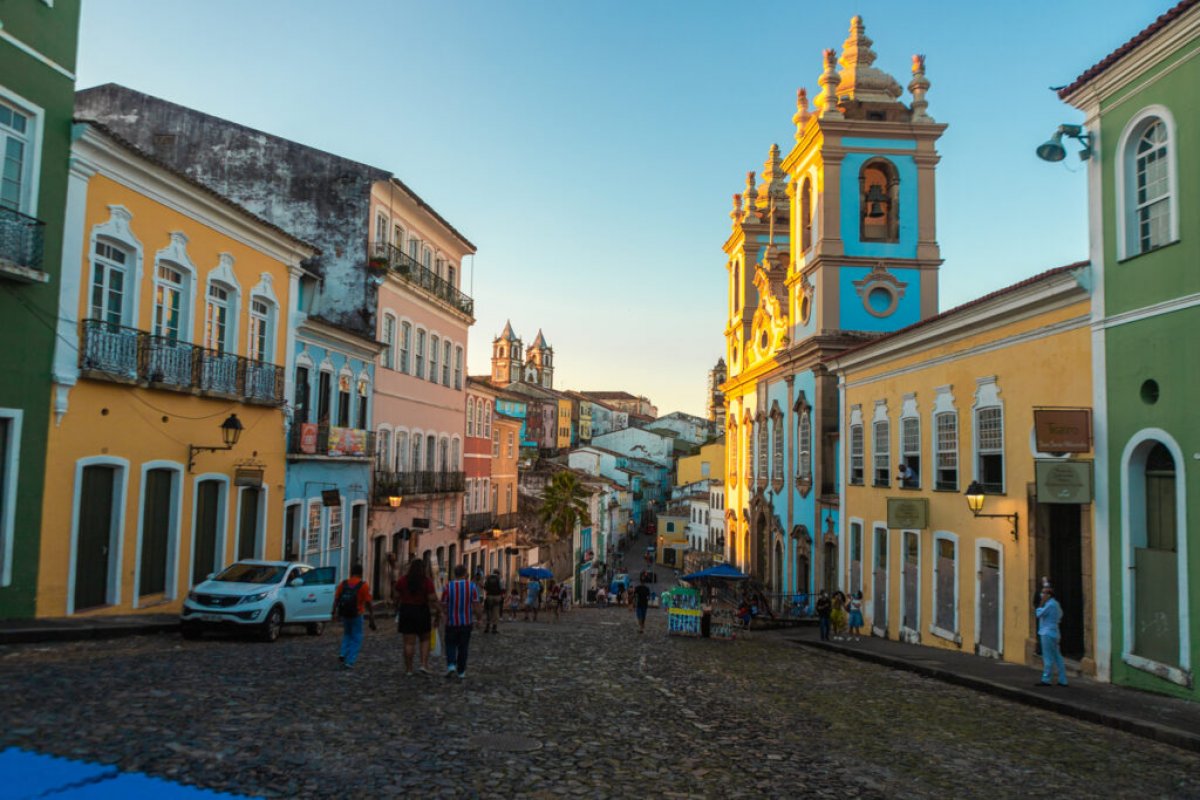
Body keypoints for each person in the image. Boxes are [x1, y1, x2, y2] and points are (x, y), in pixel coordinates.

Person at [394, 557, 439, 676]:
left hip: (406, 611)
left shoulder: (403, 580)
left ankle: (409, 669)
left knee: (409, 643)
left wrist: (397, 605)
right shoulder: (426, 581)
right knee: (425, 639)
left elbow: (396, 596)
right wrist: (438, 609)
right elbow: (432, 598)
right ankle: (423, 665)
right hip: (422, 611)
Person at [332, 563, 376, 670]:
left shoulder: (343, 584)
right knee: (357, 637)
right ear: (361, 573)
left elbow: (336, 599)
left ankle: (343, 653)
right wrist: (371, 616)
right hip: (357, 614)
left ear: (351, 572)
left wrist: (333, 612)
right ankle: (350, 660)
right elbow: (368, 602)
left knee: (347, 634)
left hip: (345, 613)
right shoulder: (363, 585)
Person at [442, 564, 482, 680]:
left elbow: (443, 604)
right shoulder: (472, 587)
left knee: (450, 644)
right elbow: (476, 605)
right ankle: (461, 671)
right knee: (463, 647)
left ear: (455, 574)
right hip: (466, 622)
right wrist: (479, 619)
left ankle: (451, 665)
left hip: (451, 622)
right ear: (465, 574)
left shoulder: (448, 587)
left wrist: (443, 615)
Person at [1036, 585, 1069, 687]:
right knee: (1057, 657)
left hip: (1047, 633)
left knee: (1048, 657)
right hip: (1055, 632)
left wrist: (1041, 604)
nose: (1042, 594)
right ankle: (1063, 680)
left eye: (1044, 593)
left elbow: (1039, 614)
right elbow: (1060, 615)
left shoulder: (1049, 605)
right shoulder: (1056, 604)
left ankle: (1046, 679)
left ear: (1049, 595)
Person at [483, 569, 504, 634]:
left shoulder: (488, 578)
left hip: (489, 596)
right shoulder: (500, 579)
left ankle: (487, 627)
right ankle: (494, 628)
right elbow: (502, 588)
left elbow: (485, 587)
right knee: (496, 612)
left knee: (488, 612)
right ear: (498, 573)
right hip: (497, 596)